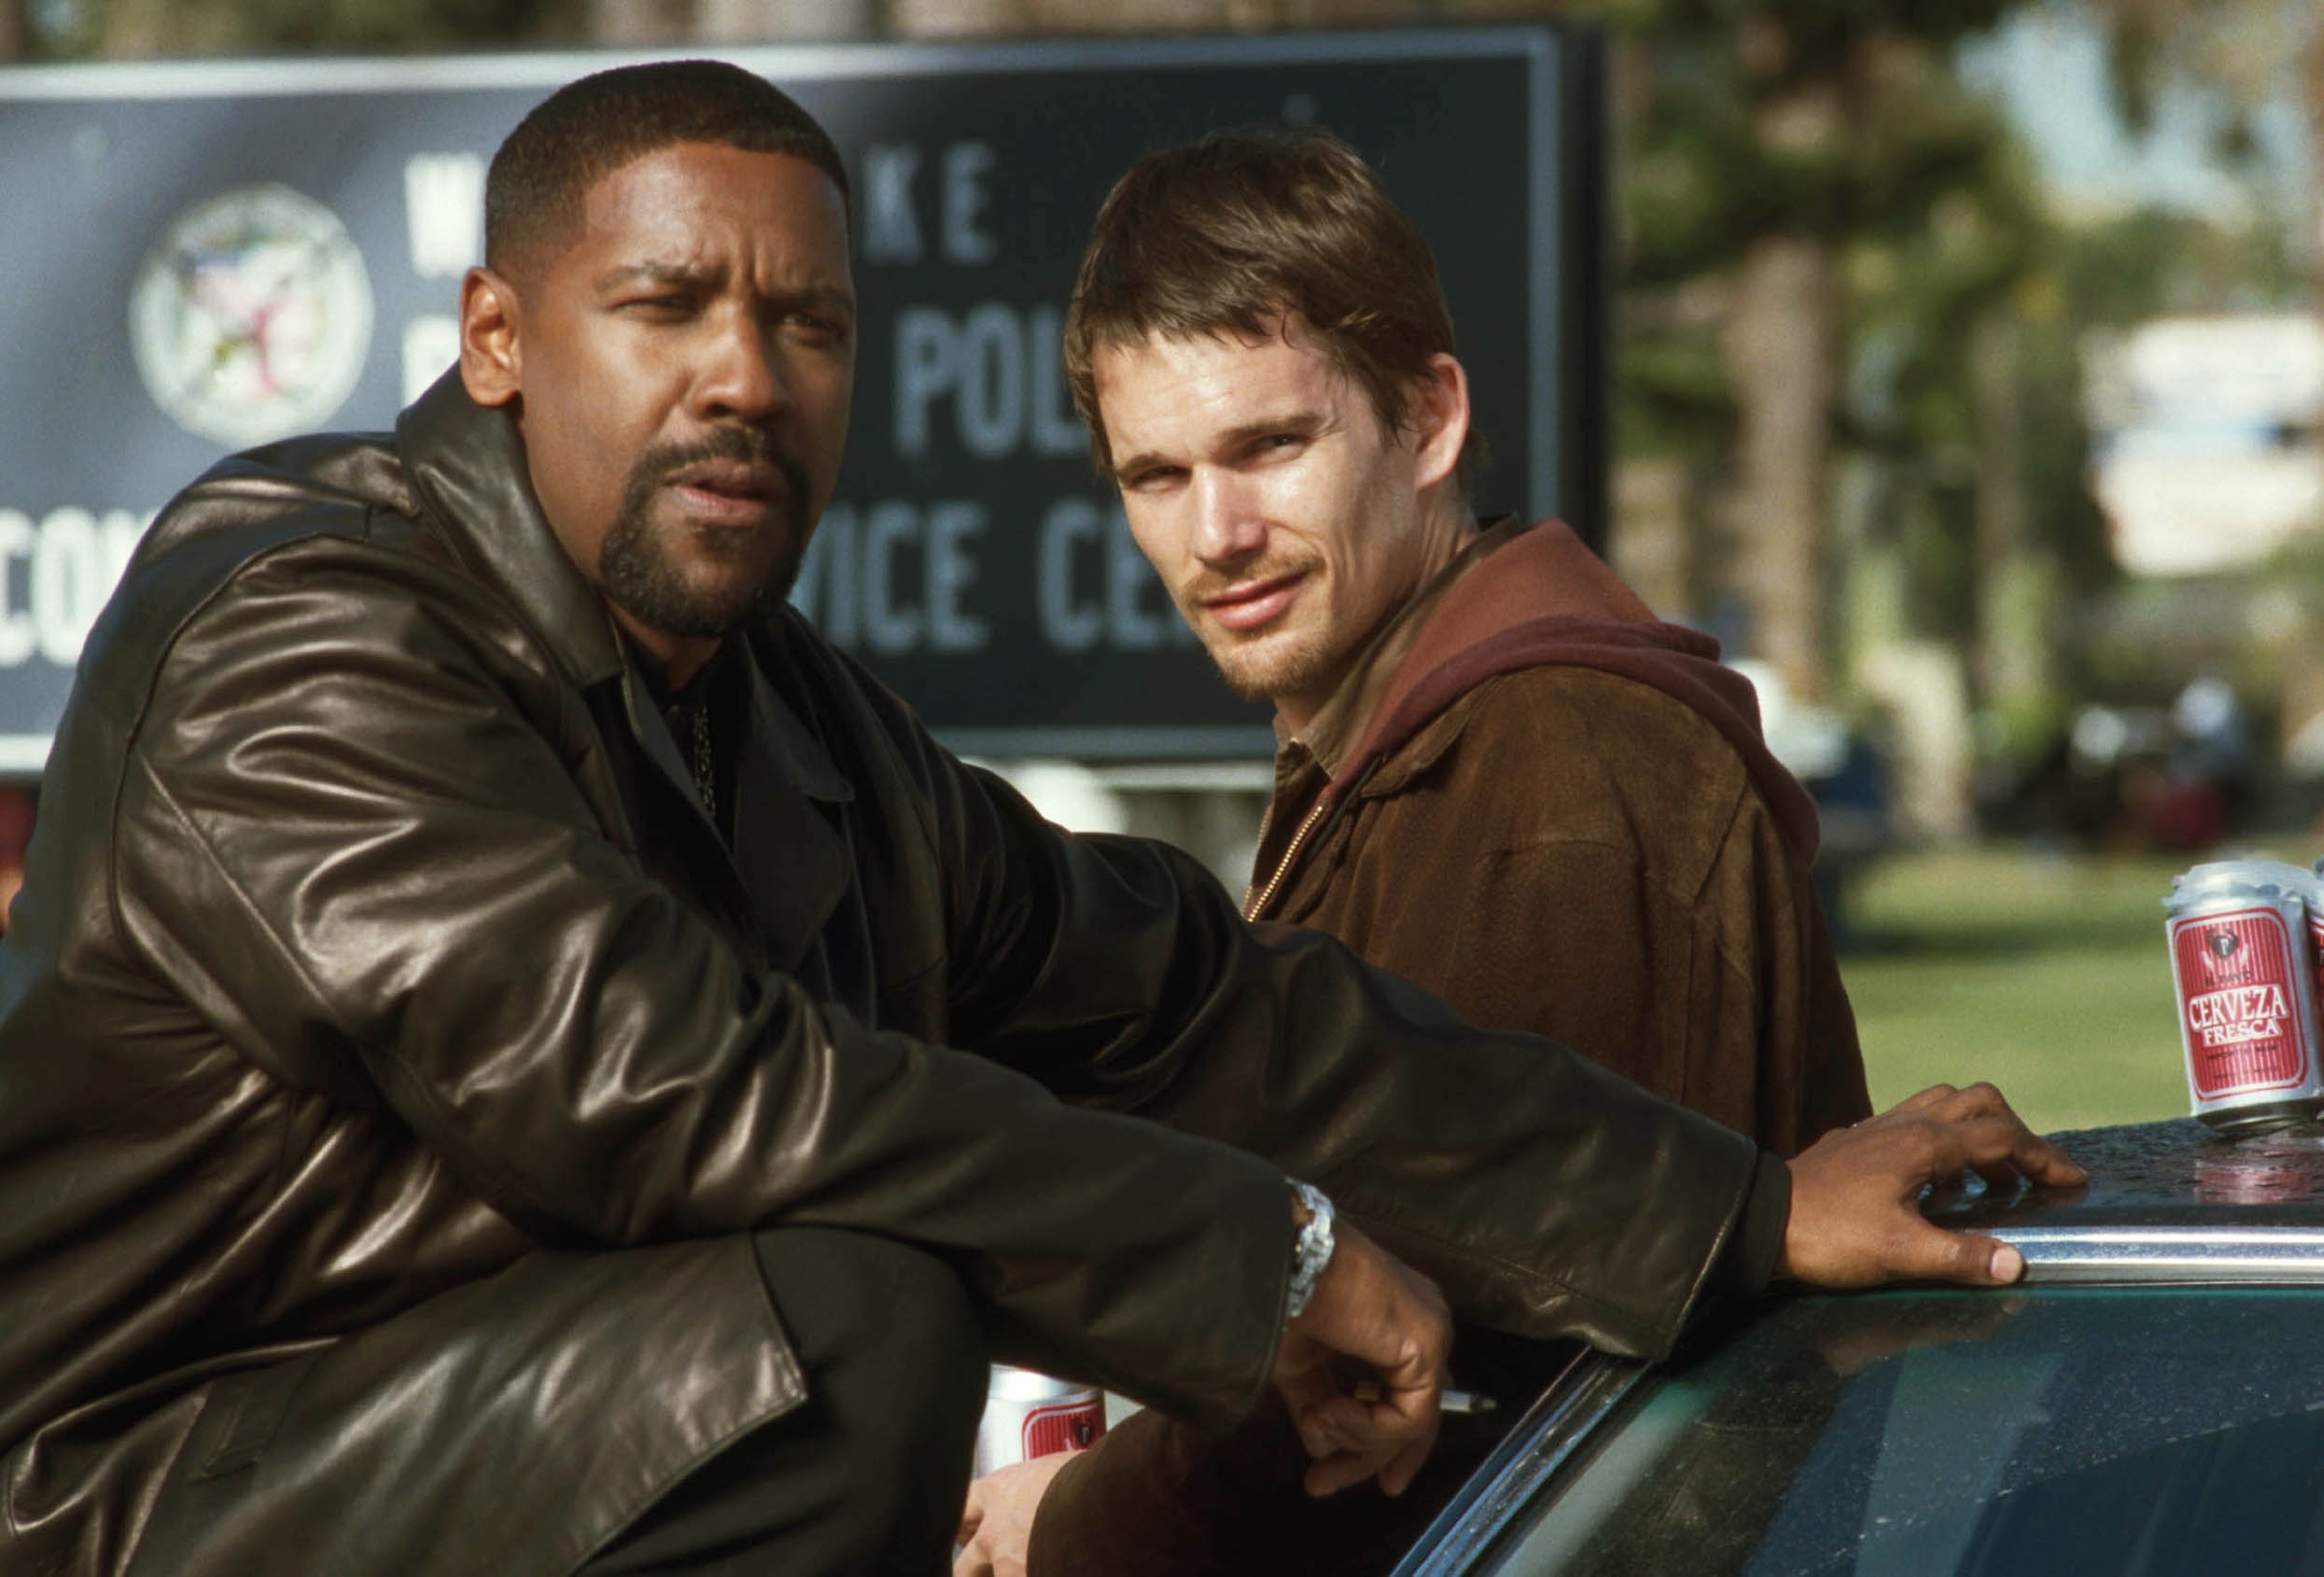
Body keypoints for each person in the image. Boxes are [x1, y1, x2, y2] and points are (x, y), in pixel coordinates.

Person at [0, 63, 2079, 1577]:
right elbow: (657, 1078)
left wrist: (1724, 1208)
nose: (746, 375)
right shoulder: (300, 622)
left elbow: (1198, 1004)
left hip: (479, 1459)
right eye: (668, 310)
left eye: (806, 323)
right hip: (147, 1488)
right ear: (494, 345)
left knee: (842, 1316)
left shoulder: (791, 717)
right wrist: (1260, 1253)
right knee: (837, 1331)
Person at [952, 129, 1886, 1575]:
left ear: (1428, 418)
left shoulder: (1547, 761)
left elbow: (1437, 1374)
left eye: (1272, 443)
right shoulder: (1413, 741)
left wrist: (1070, 1523)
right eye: (1157, 473)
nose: (1218, 531)